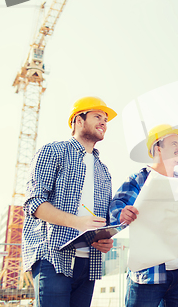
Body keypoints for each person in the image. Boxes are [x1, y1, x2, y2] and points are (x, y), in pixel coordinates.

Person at [22, 96, 117, 307]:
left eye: (106, 119)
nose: (104, 122)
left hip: (89, 263)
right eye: (97, 116)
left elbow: (104, 220)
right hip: (52, 256)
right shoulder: (53, 151)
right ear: (78, 120)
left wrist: (105, 240)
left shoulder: (104, 171)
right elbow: (34, 203)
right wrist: (77, 222)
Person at [109, 124, 178, 307]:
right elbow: (114, 210)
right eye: (174, 143)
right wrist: (122, 214)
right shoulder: (138, 180)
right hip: (147, 274)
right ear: (158, 148)